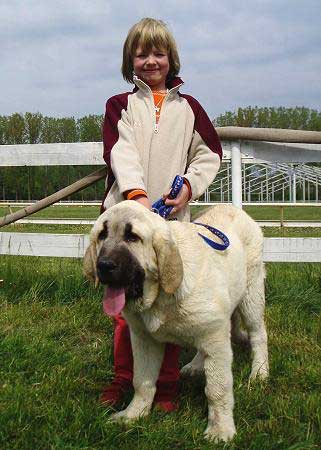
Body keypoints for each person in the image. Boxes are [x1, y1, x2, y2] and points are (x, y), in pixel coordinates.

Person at [100, 17, 222, 412]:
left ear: (171, 58)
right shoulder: (120, 106)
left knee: (166, 300)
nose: (151, 61)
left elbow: (208, 155)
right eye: (142, 53)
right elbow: (121, 151)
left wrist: (188, 187)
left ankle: (166, 386)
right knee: (125, 308)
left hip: (171, 225)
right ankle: (125, 380)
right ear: (129, 59)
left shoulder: (189, 108)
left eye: (159, 52)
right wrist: (135, 197)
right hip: (127, 224)